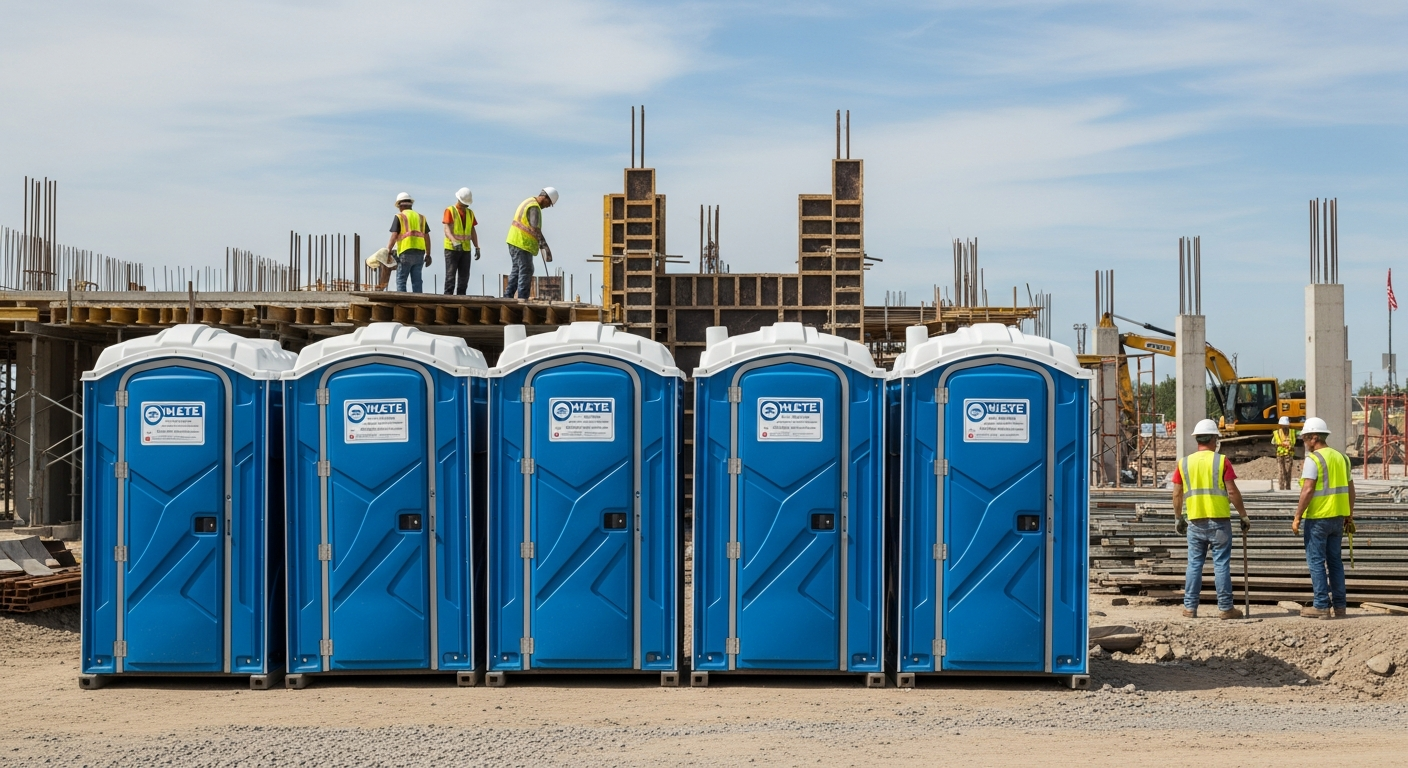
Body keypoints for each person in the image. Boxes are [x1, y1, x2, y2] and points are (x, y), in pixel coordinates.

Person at [1172, 419, 1251, 619]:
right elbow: (1232, 491)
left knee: (1194, 564)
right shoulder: (1221, 461)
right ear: (1214, 439)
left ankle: (1190, 608)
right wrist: (1243, 515)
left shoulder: (1184, 463)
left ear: (1197, 439)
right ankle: (1225, 608)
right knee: (1221, 564)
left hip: (1195, 522)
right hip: (1219, 523)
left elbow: (1176, 494)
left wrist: (1178, 517)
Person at [1291, 417, 1355, 619]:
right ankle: (1340, 606)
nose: (1304, 442)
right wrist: (1349, 515)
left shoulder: (1314, 459)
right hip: (1338, 518)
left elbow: (1308, 489)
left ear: (1314, 437)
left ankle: (1320, 605)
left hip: (1318, 518)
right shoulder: (1342, 458)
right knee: (1335, 562)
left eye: (1305, 438)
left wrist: (1297, 516)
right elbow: (1351, 490)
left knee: (1316, 561)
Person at [503, 187, 557, 299]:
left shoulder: (529, 201)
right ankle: (522, 298)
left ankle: (507, 296)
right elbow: (534, 228)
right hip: (522, 243)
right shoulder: (534, 207)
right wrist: (545, 246)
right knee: (525, 270)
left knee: (518, 270)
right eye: (549, 203)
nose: (548, 206)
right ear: (545, 197)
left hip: (515, 241)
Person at [386, 192, 431, 292]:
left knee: (401, 279)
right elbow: (427, 236)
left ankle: (402, 303)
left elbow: (394, 235)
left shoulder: (400, 216)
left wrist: (388, 250)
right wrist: (428, 254)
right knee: (417, 281)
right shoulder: (421, 217)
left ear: (399, 206)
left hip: (405, 253)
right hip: (420, 253)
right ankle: (418, 302)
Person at [442, 187, 480, 295]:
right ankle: (448, 298)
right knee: (450, 275)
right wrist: (454, 241)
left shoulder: (470, 213)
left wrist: (477, 247)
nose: (465, 207)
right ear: (459, 200)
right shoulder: (450, 210)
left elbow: (472, 231)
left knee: (464, 276)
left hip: (466, 249)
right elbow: (447, 229)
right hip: (451, 249)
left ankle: (461, 297)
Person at [1272, 416, 1298, 490]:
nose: (1284, 427)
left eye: (1285, 425)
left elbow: (1294, 441)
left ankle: (1287, 487)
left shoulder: (1292, 432)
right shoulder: (1276, 433)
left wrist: (1290, 445)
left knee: (1288, 471)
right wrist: (1282, 444)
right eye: (1283, 425)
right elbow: (1273, 442)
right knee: (1281, 471)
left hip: (1289, 454)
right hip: (1280, 454)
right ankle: (1281, 487)